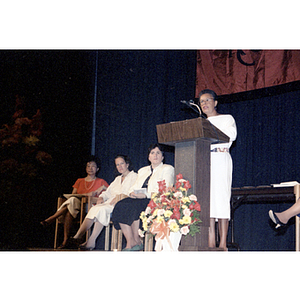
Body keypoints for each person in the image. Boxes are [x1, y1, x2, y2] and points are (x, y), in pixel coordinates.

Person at [112, 144, 174, 251]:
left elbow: (165, 189)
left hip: (154, 199)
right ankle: (131, 241)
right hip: (138, 198)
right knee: (120, 205)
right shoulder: (142, 170)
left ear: (162, 157)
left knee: (136, 207)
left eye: (158, 153)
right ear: (149, 157)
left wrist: (146, 195)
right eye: (152, 153)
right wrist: (132, 193)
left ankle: (136, 241)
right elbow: (134, 186)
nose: (155, 155)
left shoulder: (167, 169)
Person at [69, 155, 137, 250]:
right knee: (95, 208)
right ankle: (79, 236)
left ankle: (89, 240)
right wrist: (101, 197)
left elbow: (133, 192)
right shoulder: (117, 179)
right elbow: (107, 192)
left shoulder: (134, 176)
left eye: (122, 163)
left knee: (102, 209)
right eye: (117, 165)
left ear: (127, 164)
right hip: (110, 203)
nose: (120, 166)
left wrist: (119, 197)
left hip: (122, 205)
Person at [40, 156, 109, 249]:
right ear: (85, 168)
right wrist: (87, 193)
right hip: (76, 206)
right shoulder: (79, 181)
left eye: (93, 166)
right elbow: (73, 195)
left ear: (97, 169)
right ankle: (65, 240)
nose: (90, 168)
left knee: (71, 204)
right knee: (72, 202)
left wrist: (103, 188)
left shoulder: (101, 181)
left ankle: (52, 219)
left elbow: (109, 193)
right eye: (88, 166)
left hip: (89, 206)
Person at [198, 89, 237, 250]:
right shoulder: (200, 122)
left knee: (221, 200)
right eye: (201, 101)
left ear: (215, 102)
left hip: (221, 159)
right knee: (208, 202)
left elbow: (230, 136)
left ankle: (222, 245)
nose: (204, 103)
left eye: (207, 100)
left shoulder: (227, 118)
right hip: (205, 161)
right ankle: (210, 243)